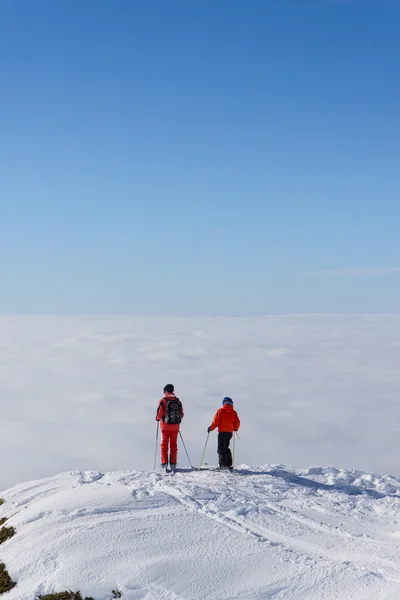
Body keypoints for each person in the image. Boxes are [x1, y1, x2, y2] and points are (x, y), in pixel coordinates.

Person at [156, 384, 184, 473]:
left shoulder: (163, 400)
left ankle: (164, 463)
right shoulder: (178, 401)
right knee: (173, 445)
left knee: (164, 445)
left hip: (165, 427)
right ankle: (173, 463)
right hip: (175, 427)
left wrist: (157, 418)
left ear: (166, 391)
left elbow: (159, 414)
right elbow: (182, 414)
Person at [207, 397, 240, 470]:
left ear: (224, 403)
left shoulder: (221, 411)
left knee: (221, 448)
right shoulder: (234, 412)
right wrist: (235, 429)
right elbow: (237, 422)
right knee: (226, 447)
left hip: (222, 432)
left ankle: (223, 465)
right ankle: (228, 464)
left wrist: (211, 428)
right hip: (229, 432)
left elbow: (216, 421)